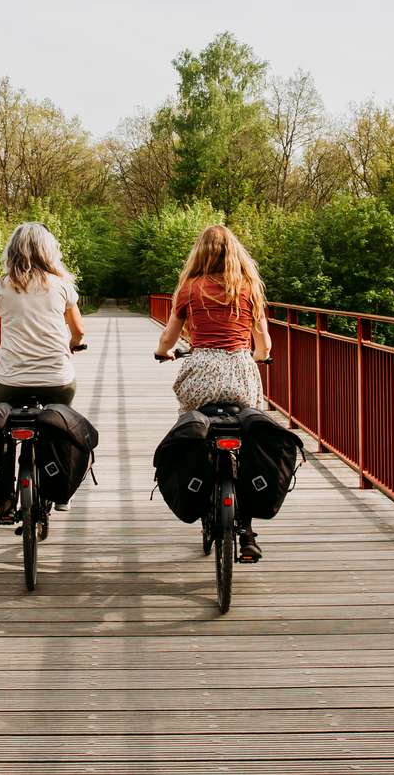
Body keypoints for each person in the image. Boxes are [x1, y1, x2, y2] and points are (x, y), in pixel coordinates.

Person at [153, 224, 272, 560]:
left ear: (200, 253)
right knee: (247, 435)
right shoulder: (247, 289)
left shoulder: (190, 289)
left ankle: (200, 485)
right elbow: (263, 342)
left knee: (192, 427)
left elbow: (167, 340)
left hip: (201, 372)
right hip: (240, 373)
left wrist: (164, 353)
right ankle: (246, 530)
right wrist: (260, 356)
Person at [0, 222, 85, 523]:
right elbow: (79, 331)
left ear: (12, 250)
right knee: (63, 425)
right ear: (49, 250)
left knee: (2, 428)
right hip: (56, 378)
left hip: (10, 379)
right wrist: (75, 344)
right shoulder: (61, 285)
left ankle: (6, 497)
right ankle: (63, 491)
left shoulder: (1, 285)